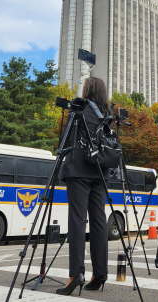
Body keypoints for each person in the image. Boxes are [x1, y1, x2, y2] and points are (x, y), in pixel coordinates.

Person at [58, 77, 112, 295]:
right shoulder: (107, 114)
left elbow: (65, 140)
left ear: (87, 91)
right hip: (100, 171)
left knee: (78, 221)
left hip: (79, 170)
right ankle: (100, 272)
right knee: (99, 221)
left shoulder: (79, 110)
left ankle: (76, 274)